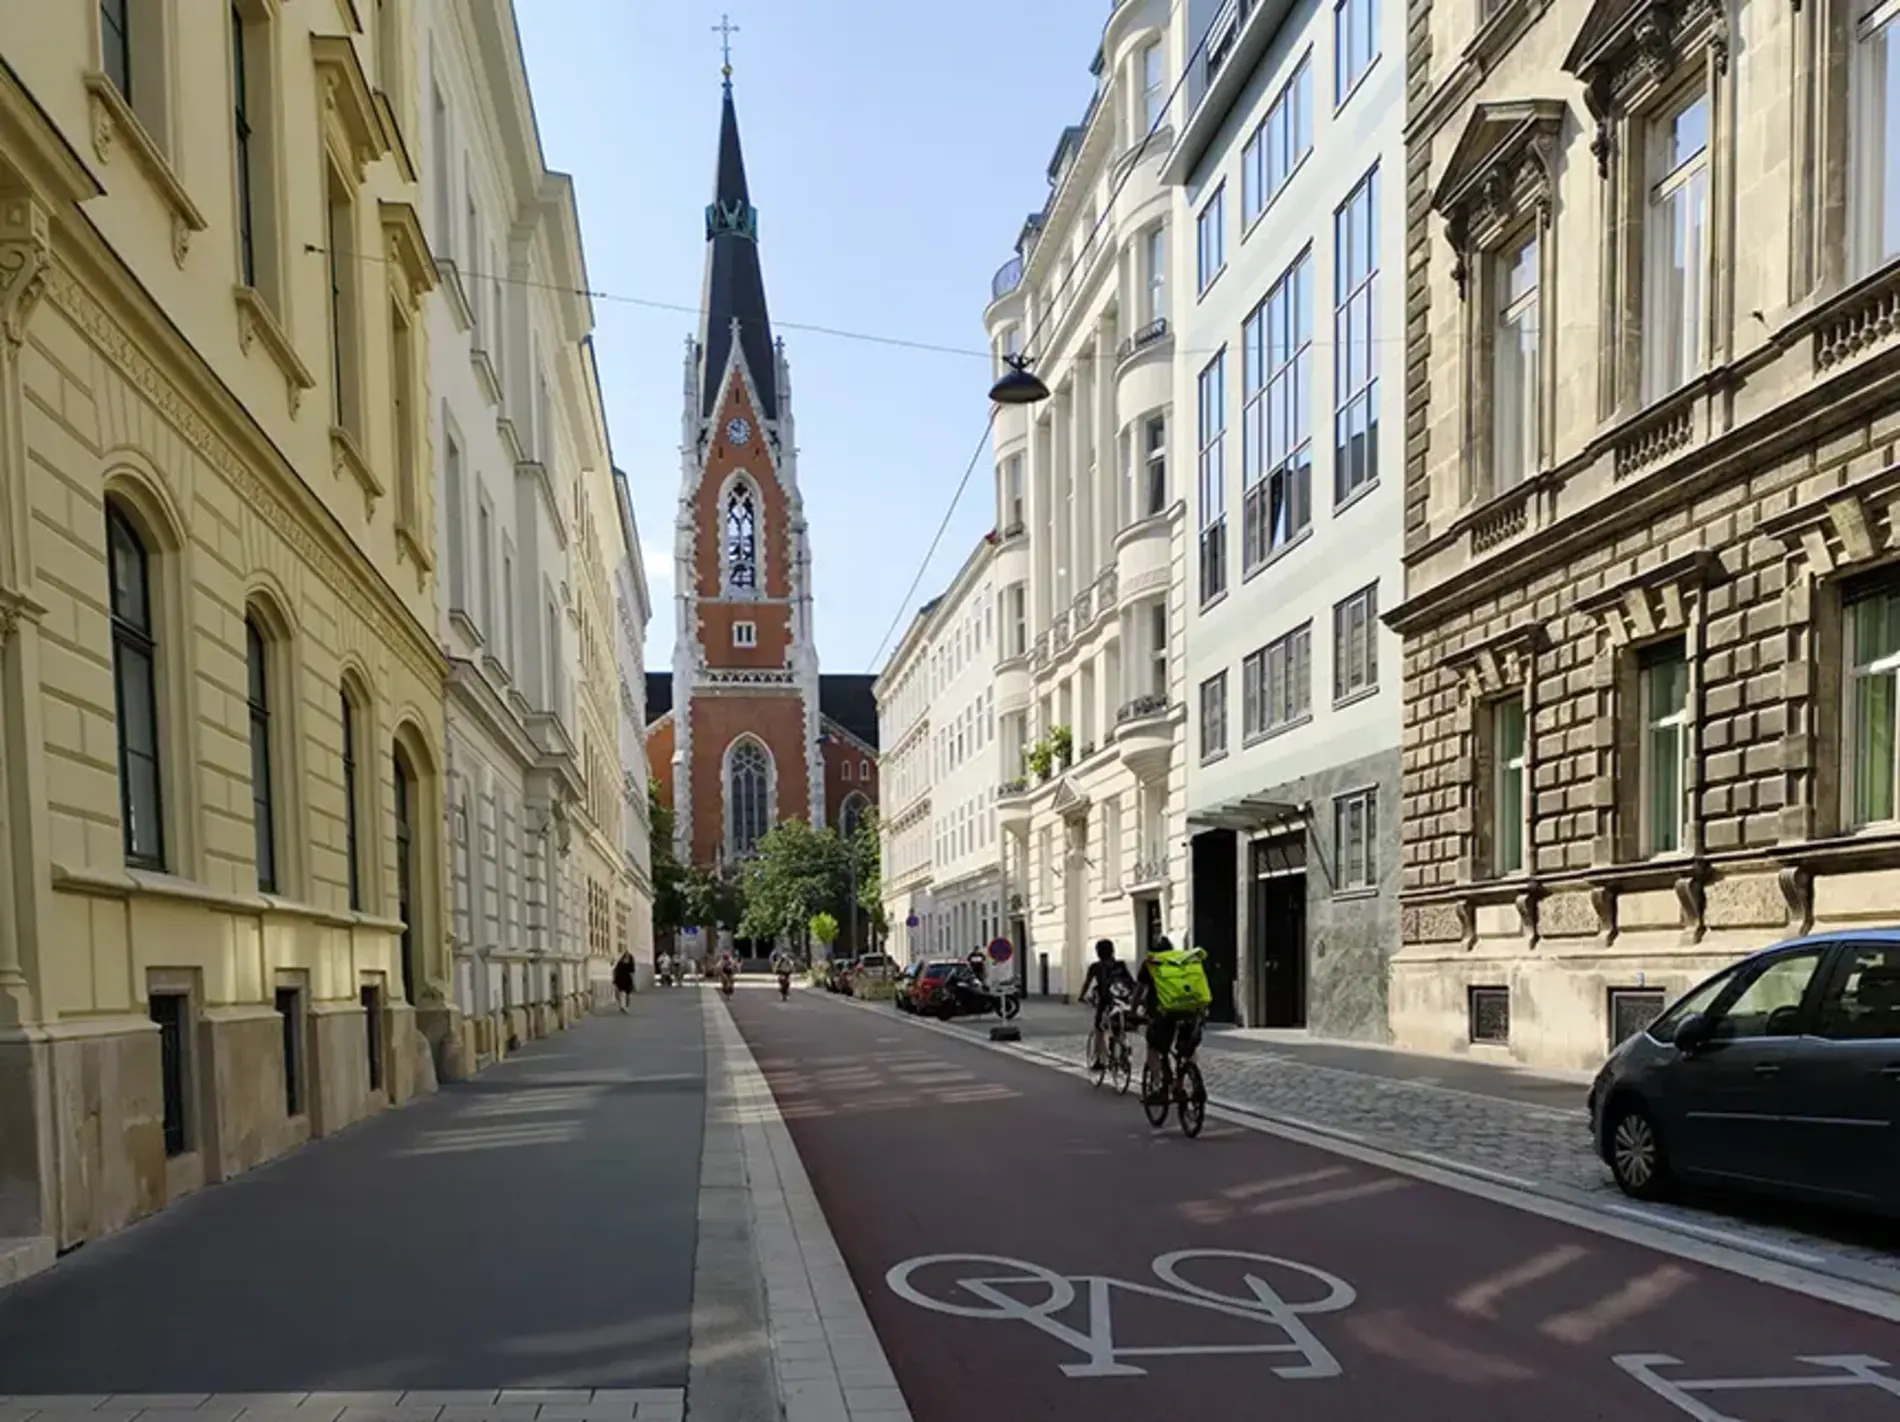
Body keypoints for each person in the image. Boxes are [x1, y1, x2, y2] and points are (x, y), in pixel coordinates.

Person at [1131, 936, 1211, 1104]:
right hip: (1191, 1011)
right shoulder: (1185, 960)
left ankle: (1159, 1086)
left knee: (1154, 1046)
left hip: (1164, 1014)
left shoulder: (1151, 963)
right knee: (1187, 1048)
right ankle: (1186, 1082)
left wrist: (1132, 1012)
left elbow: (1139, 992)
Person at [1079, 939, 1134, 1069]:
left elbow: (1087, 983)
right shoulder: (1121, 965)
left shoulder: (1095, 967)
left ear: (1098, 953)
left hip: (1105, 1002)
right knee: (1117, 1027)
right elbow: (1130, 982)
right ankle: (1123, 1049)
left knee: (1099, 1028)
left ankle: (1100, 1060)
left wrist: (1081, 997)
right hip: (1121, 1001)